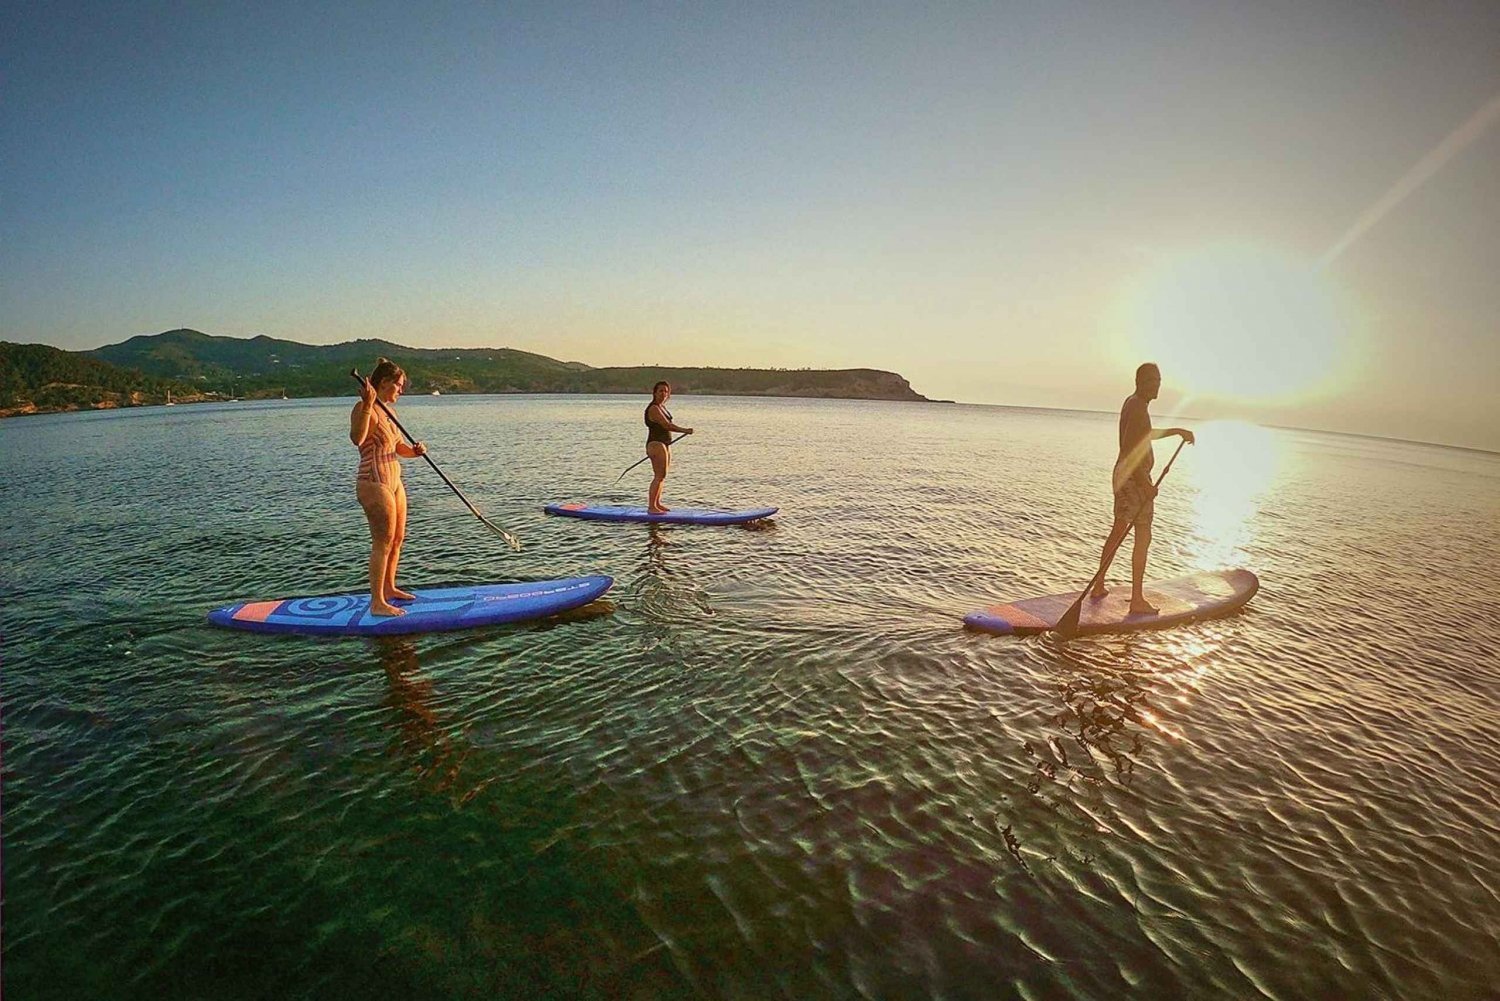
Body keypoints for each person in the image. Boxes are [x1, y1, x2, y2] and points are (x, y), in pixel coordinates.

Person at [1089, 362, 1194, 615]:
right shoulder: (1136, 405)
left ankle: (1099, 585)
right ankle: (1136, 600)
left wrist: (1176, 431)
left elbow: (1144, 435)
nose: (1157, 384)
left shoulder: (1134, 404)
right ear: (1141, 382)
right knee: (1143, 536)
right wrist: (1145, 483)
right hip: (1133, 480)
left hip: (1126, 477)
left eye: (1159, 379)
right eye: (1153, 380)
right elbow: (1129, 448)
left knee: (1118, 530)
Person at [351, 358, 426, 616]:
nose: (401, 391)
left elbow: (396, 448)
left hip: (394, 480)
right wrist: (369, 404)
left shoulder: (391, 412)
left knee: (397, 539)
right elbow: (356, 439)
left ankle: (390, 588)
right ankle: (377, 602)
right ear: (384, 383)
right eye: (399, 386)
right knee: (382, 542)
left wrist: (414, 452)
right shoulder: (365, 408)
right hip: (373, 481)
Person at [644, 381, 693, 514]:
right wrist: (685, 430)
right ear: (654, 393)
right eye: (660, 391)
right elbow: (667, 425)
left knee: (662, 475)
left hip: (665, 444)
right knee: (658, 476)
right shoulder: (654, 408)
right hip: (656, 444)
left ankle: (657, 503)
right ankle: (651, 507)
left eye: (666, 391)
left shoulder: (662, 407)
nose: (663, 394)